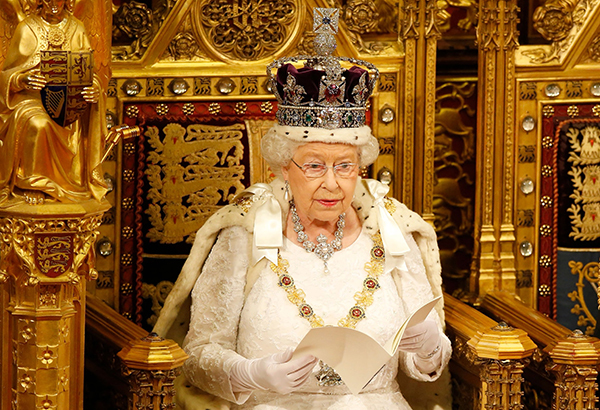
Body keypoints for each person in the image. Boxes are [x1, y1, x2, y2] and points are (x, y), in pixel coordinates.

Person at [153, 8, 450, 409]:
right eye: (314, 165)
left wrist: (430, 345)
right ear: (282, 167)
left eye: (345, 166)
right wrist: (249, 374)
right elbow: (200, 353)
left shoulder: (391, 230)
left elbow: (424, 365)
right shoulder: (244, 233)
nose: (332, 182)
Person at [0, 0, 107, 205]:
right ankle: (33, 183)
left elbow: (88, 72)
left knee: (67, 122)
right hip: (31, 101)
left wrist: (93, 89)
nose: (54, 4)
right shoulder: (27, 28)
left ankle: (69, 184)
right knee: (38, 124)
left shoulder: (77, 28)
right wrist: (22, 80)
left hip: (69, 104)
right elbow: (6, 75)